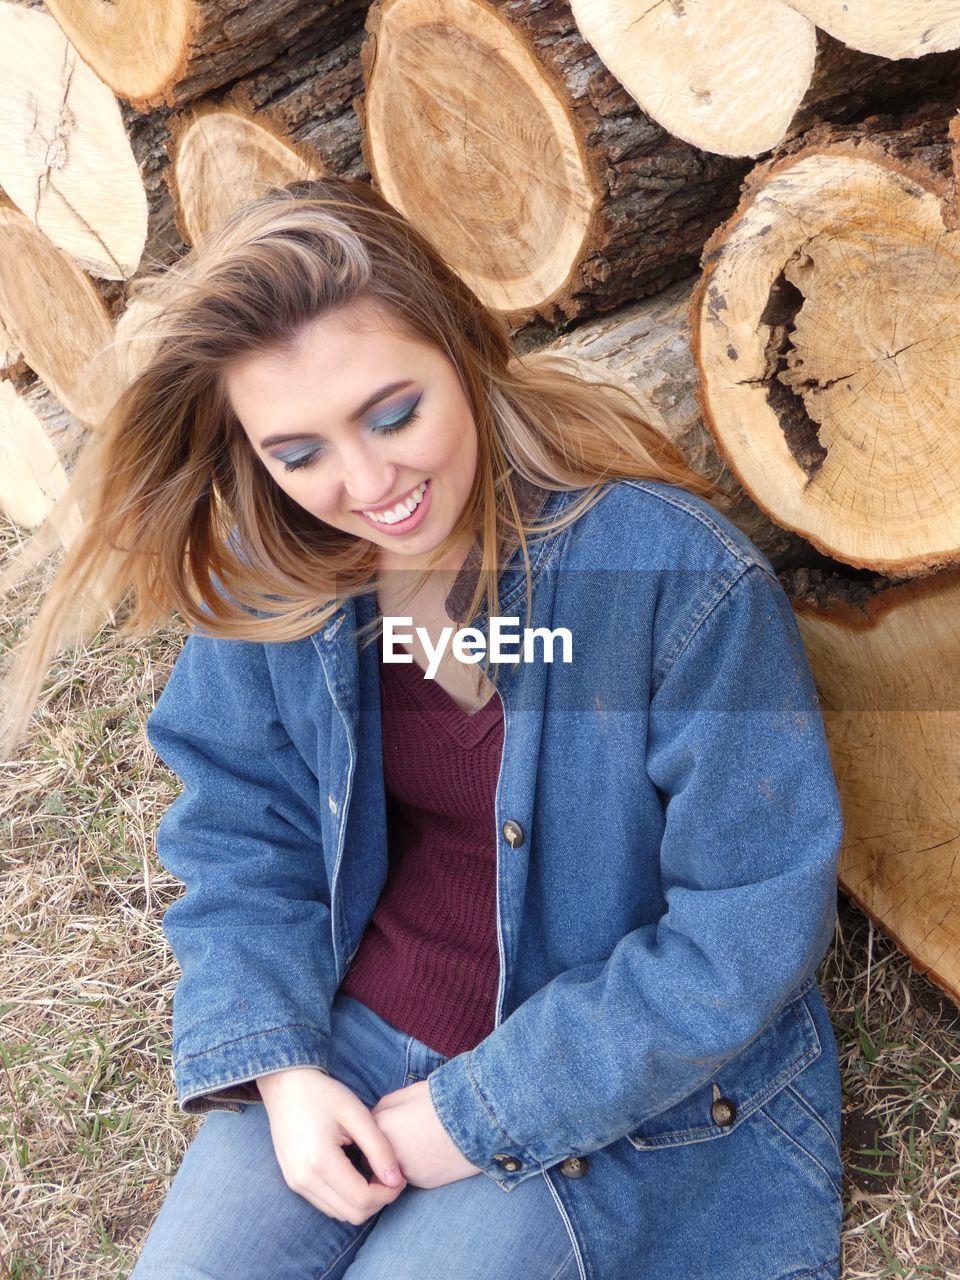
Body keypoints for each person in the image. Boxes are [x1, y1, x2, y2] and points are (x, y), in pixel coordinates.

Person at [0, 178, 845, 1279]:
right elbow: (242, 833)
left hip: (609, 1078)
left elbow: (746, 924)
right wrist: (283, 1067)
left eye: (394, 413)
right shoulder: (284, 577)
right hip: (356, 1032)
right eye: (298, 452)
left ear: (463, 347)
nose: (365, 484)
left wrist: (476, 1110)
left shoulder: (672, 577)